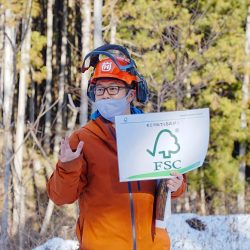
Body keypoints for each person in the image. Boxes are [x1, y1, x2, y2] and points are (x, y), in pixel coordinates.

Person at [47, 44, 187, 250]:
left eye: (113, 89)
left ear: (131, 95)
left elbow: (175, 184)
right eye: (100, 89)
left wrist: (177, 185)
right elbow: (60, 197)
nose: (105, 95)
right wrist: (67, 166)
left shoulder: (155, 133)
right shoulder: (83, 140)